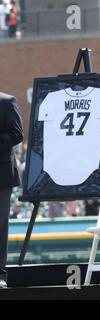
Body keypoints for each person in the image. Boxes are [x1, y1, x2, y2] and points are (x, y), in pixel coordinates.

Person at [0, 92, 23, 288]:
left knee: (0, 225)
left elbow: (17, 134)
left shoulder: (7, 101)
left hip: (2, 175)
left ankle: (0, 274)